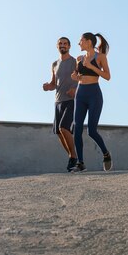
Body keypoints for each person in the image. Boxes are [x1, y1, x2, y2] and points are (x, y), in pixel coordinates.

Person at [70, 32, 113, 172]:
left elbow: (107, 76)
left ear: (89, 41)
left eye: (80, 40)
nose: (79, 43)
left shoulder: (100, 57)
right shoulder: (79, 58)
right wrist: (75, 77)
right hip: (80, 94)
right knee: (77, 128)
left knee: (91, 131)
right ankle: (80, 163)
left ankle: (106, 154)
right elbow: (79, 75)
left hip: (94, 94)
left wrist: (92, 66)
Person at [43, 37, 78, 172]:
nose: (62, 45)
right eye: (60, 44)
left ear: (69, 46)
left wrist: (75, 89)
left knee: (64, 128)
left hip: (71, 100)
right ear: (57, 46)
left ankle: (74, 157)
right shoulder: (54, 64)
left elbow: (82, 78)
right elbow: (54, 83)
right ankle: (71, 156)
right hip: (58, 101)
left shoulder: (74, 62)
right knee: (58, 131)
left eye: (65, 44)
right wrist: (48, 86)